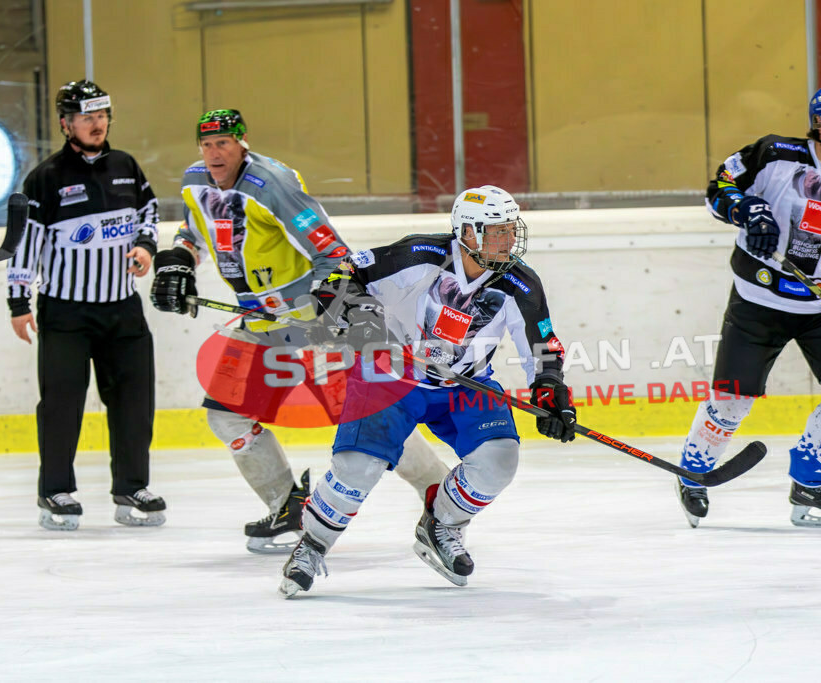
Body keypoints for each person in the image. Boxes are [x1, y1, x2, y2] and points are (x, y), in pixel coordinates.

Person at [150, 109, 450, 553]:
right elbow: (195, 230)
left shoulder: (273, 185)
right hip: (257, 322)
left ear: (242, 142)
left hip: (309, 325)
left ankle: (438, 491)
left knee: (367, 417)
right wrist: (179, 258)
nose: (215, 153)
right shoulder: (195, 182)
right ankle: (287, 505)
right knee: (226, 413)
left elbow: (334, 254)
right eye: (207, 144)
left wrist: (335, 308)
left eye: (224, 143)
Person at [279, 185, 577, 597]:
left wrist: (549, 388)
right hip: (390, 377)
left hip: (463, 384)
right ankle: (311, 545)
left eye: (511, 229)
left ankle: (440, 525)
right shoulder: (417, 255)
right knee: (358, 469)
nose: (508, 239)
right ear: (467, 232)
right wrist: (359, 310)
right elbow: (340, 278)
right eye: (496, 231)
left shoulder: (521, 283)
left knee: (498, 462)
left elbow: (542, 346)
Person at [675, 85, 821, 528]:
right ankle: (693, 472)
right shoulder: (773, 154)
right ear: (819, 124)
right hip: (757, 300)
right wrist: (745, 210)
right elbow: (718, 187)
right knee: (732, 401)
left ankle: (810, 482)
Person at [6, 79, 165, 530]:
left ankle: (131, 486)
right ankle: (55, 490)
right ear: (65, 123)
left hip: (122, 310)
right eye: (86, 117)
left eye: (102, 116)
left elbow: (149, 211)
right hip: (67, 314)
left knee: (135, 401)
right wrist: (19, 302)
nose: (96, 125)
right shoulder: (46, 178)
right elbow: (26, 244)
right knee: (61, 403)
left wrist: (146, 247)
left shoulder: (126, 166)